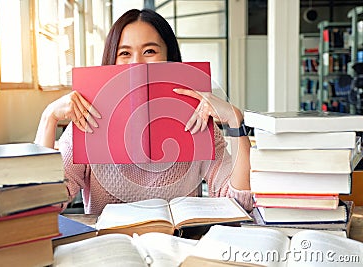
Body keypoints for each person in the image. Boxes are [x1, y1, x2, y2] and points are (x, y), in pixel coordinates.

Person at [34, 8, 253, 215]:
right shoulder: (87, 121)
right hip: (110, 245)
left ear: (170, 57)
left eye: (149, 51)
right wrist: (48, 118)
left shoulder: (197, 120)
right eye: (125, 53)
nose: (137, 63)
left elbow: (238, 202)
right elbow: (45, 202)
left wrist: (236, 122)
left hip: (177, 243)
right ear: (112, 60)